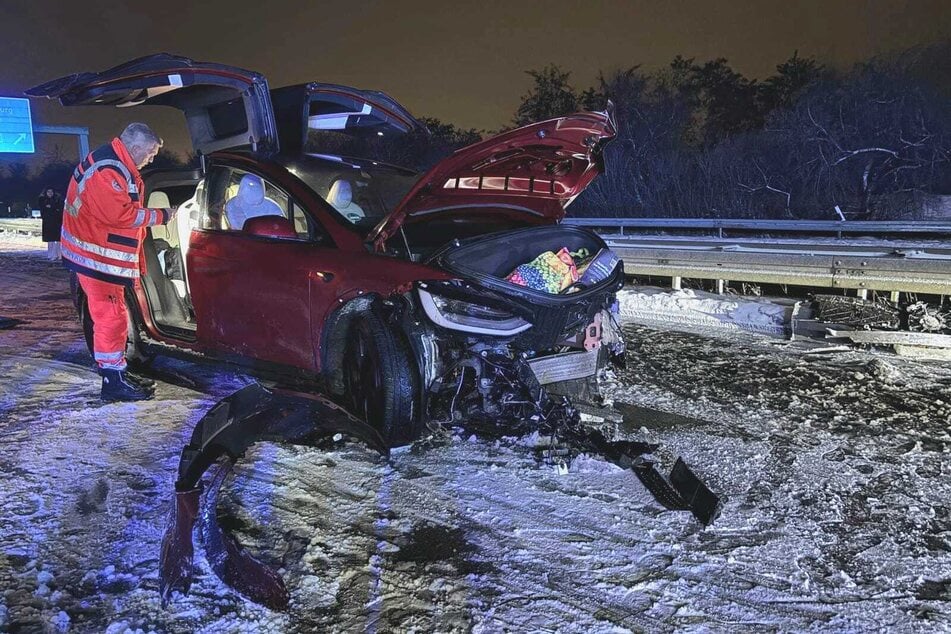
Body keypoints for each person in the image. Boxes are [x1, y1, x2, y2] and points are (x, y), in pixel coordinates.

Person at [62, 123, 175, 402]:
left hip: (96, 253)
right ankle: (113, 381)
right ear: (135, 147)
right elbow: (121, 216)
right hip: (96, 257)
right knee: (111, 318)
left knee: (111, 317)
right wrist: (161, 216)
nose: (151, 158)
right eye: (150, 153)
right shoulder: (108, 170)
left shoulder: (115, 163)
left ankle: (117, 372)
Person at [37, 187, 63, 260]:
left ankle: (59, 254)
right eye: (48, 192)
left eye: (51, 192)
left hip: (57, 221)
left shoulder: (57, 199)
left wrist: (51, 207)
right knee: (50, 239)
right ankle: (51, 254)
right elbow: (44, 209)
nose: (50, 193)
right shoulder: (43, 200)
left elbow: (59, 209)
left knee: (58, 239)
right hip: (48, 222)